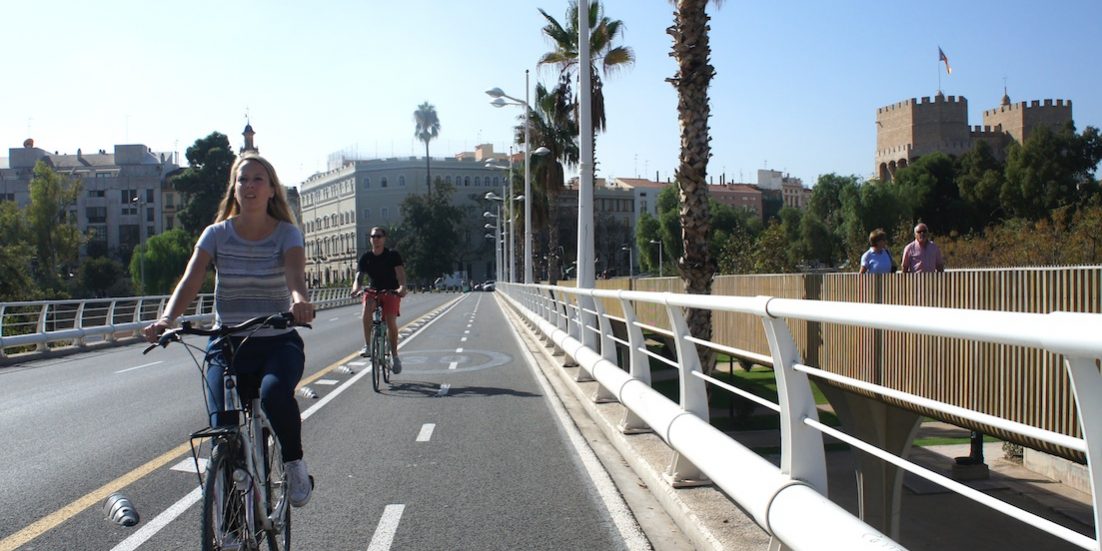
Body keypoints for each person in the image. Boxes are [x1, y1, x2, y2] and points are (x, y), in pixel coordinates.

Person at [142, 154, 315, 507]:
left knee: (273, 394)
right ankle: (231, 523)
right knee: (222, 426)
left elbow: (295, 276)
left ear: (271, 190)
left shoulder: (287, 233)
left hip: (276, 343)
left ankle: (295, 464)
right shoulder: (216, 235)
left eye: (258, 180)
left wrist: (299, 301)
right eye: (243, 180)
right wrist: (167, 319)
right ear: (234, 190)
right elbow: (191, 280)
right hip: (227, 345)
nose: (249, 186)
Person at [351, 226, 407, 373]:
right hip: (373, 291)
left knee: (390, 320)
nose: (376, 239)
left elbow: (400, 275)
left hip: (390, 291)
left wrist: (401, 288)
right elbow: (359, 277)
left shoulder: (392, 255)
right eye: (373, 236)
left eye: (379, 236)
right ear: (370, 239)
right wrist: (356, 288)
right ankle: (368, 346)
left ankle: (395, 356)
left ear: (384, 238)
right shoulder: (366, 257)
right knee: (366, 308)